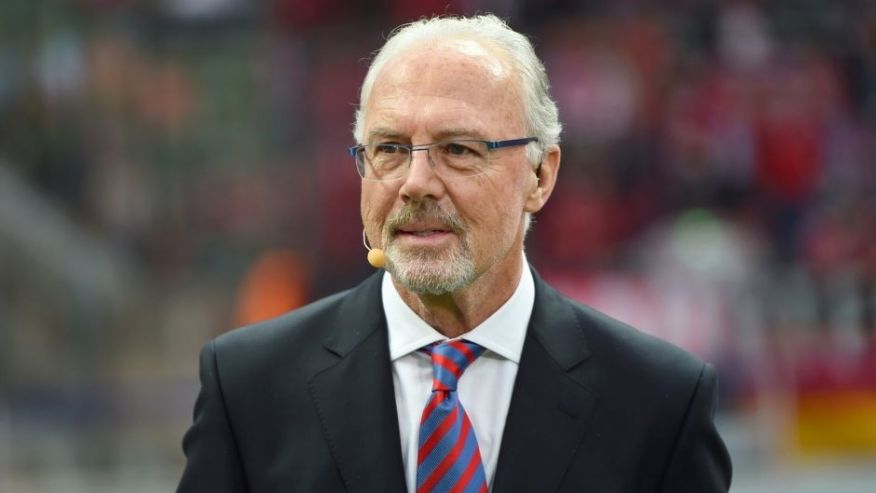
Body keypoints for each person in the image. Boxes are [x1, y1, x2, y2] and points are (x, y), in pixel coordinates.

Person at [177, 14, 732, 493]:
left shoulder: (661, 402)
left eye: (459, 149)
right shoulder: (248, 386)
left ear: (540, 175)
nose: (416, 182)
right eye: (390, 149)